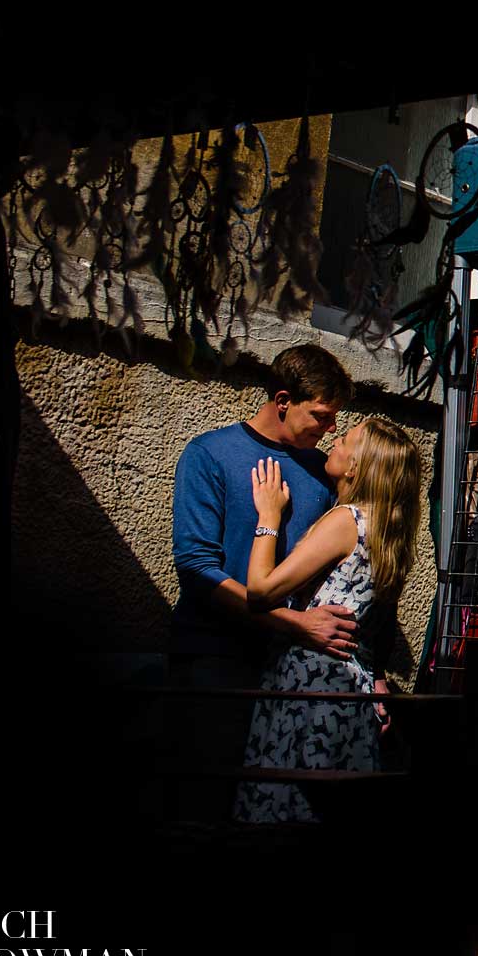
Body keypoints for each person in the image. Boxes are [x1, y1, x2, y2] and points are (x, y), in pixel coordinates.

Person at [168, 344, 359, 821]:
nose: (329, 428)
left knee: (278, 810)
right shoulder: (210, 455)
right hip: (218, 659)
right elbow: (196, 570)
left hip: (293, 671)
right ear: (282, 401)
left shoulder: (323, 469)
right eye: (319, 415)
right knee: (209, 801)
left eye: (335, 418)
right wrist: (294, 624)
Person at [235, 416, 423, 823]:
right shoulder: (388, 530)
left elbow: (260, 591)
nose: (333, 442)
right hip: (348, 691)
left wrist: (268, 516)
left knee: (284, 812)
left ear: (356, 467)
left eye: (345, 441)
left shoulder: (347, 521)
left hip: (310, 684)